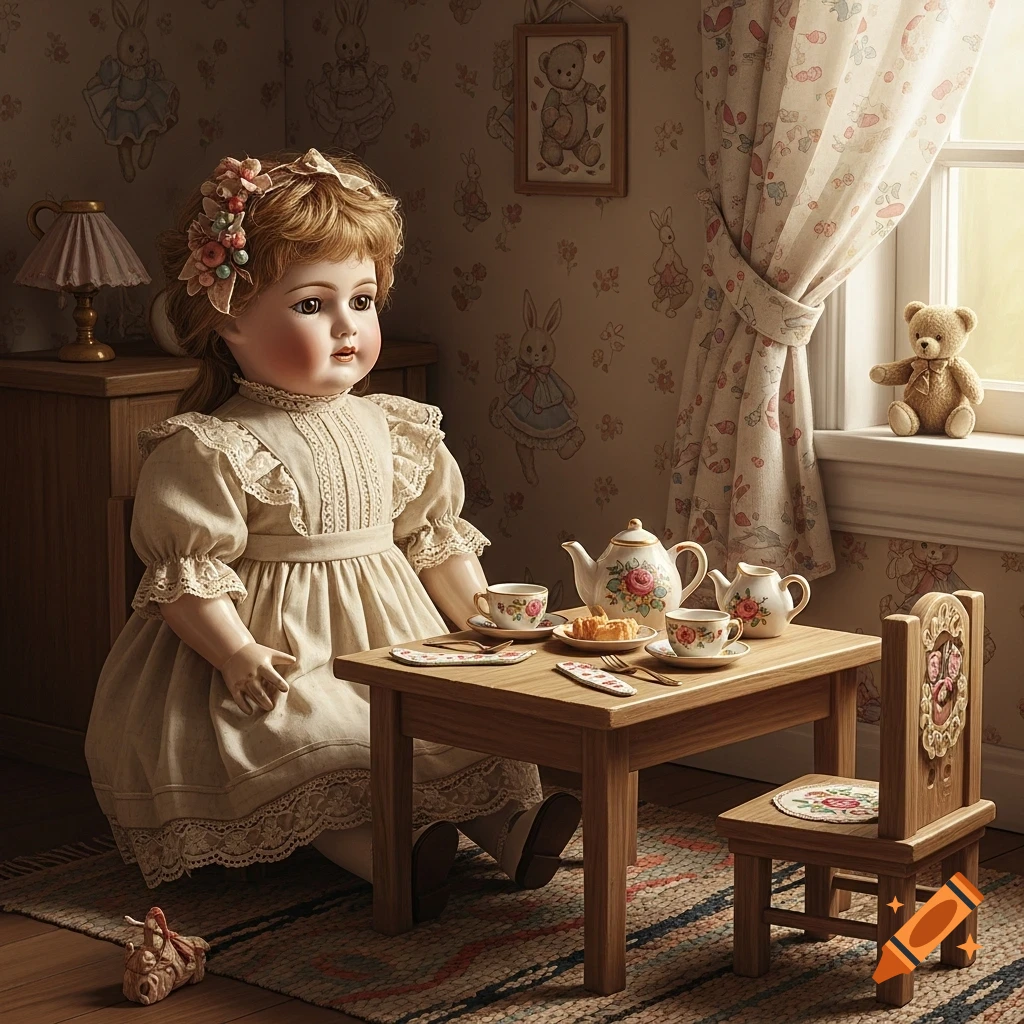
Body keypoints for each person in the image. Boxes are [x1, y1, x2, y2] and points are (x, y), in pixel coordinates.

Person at [85, 149, 581, 916]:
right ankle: (389, 857)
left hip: (393, 636)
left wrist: (482, 618)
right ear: (227, 317)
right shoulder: (210, 445)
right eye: (313, 306)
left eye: (363, 300)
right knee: (313, 740)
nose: (347, 327)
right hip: (276, 649)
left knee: (457, 726)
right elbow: (189, 575)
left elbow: (433, 539)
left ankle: (509, 832)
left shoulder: (393, 427)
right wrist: (236, 651)